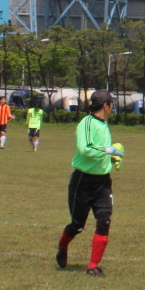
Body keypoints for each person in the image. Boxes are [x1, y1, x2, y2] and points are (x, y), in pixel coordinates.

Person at [55, 89, 124, 278]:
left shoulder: (104, 124)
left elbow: (100, 152)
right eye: (112, 104)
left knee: (104, 221)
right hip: (83, 182)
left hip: (103, 182)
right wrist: (110, 150)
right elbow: (85, 150)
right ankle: (62, 246)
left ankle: (93, 266)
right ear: (105, 105)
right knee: (77, 225)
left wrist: (113, 159)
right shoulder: (87, 122)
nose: (113, 107)